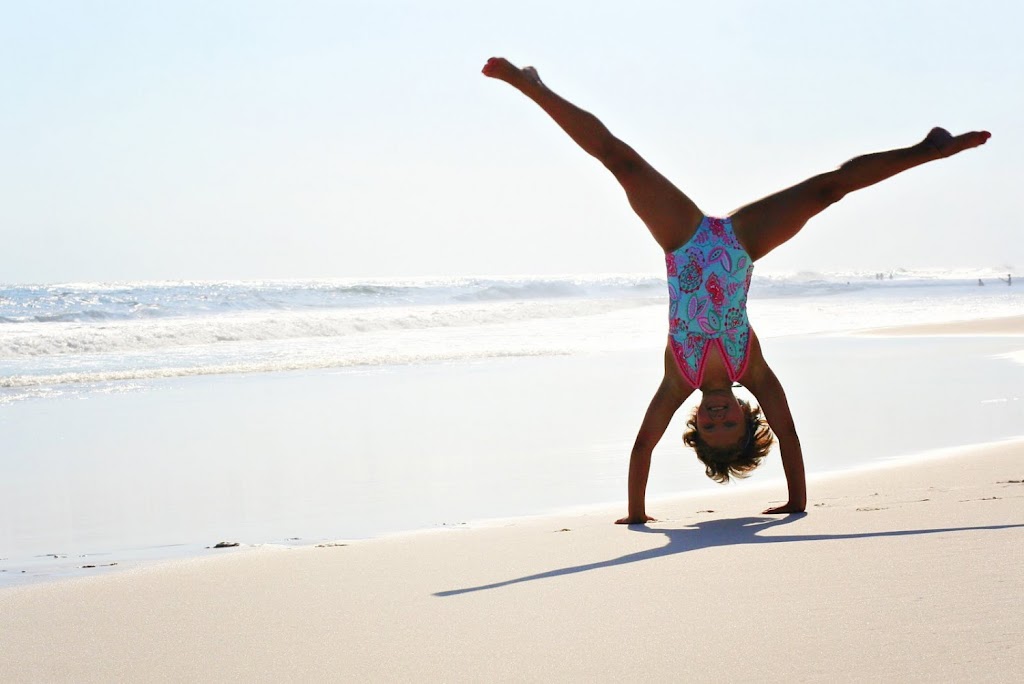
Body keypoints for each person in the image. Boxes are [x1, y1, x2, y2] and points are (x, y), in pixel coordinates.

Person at [481, 57, 991, 522]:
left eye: (710, 427)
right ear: (748, 417)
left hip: (682, 243)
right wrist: (796, 502)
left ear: (695, 424)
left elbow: (642, 447)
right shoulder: (754, 371)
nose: (719, 418)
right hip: (741, 246)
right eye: (730, 425)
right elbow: (788, 434)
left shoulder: (677, 381)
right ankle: (931, 150)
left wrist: (636, 514)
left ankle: (532, 88)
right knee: (828, 189)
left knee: (622, 162)